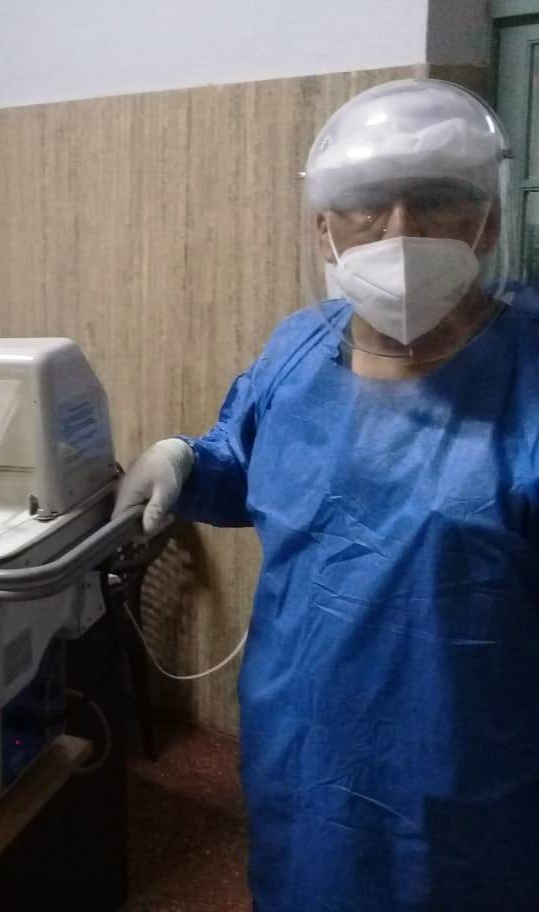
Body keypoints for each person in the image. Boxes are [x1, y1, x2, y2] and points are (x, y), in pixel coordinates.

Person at [113, 79, 539, 911]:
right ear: (322, 227)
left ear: (487, 221)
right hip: (304, 738)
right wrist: (185, 460)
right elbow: (251, 463)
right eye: (367, 203)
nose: (400, 230)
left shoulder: (525, 377)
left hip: (466, 764)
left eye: (437, 200)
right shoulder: (300, 350)